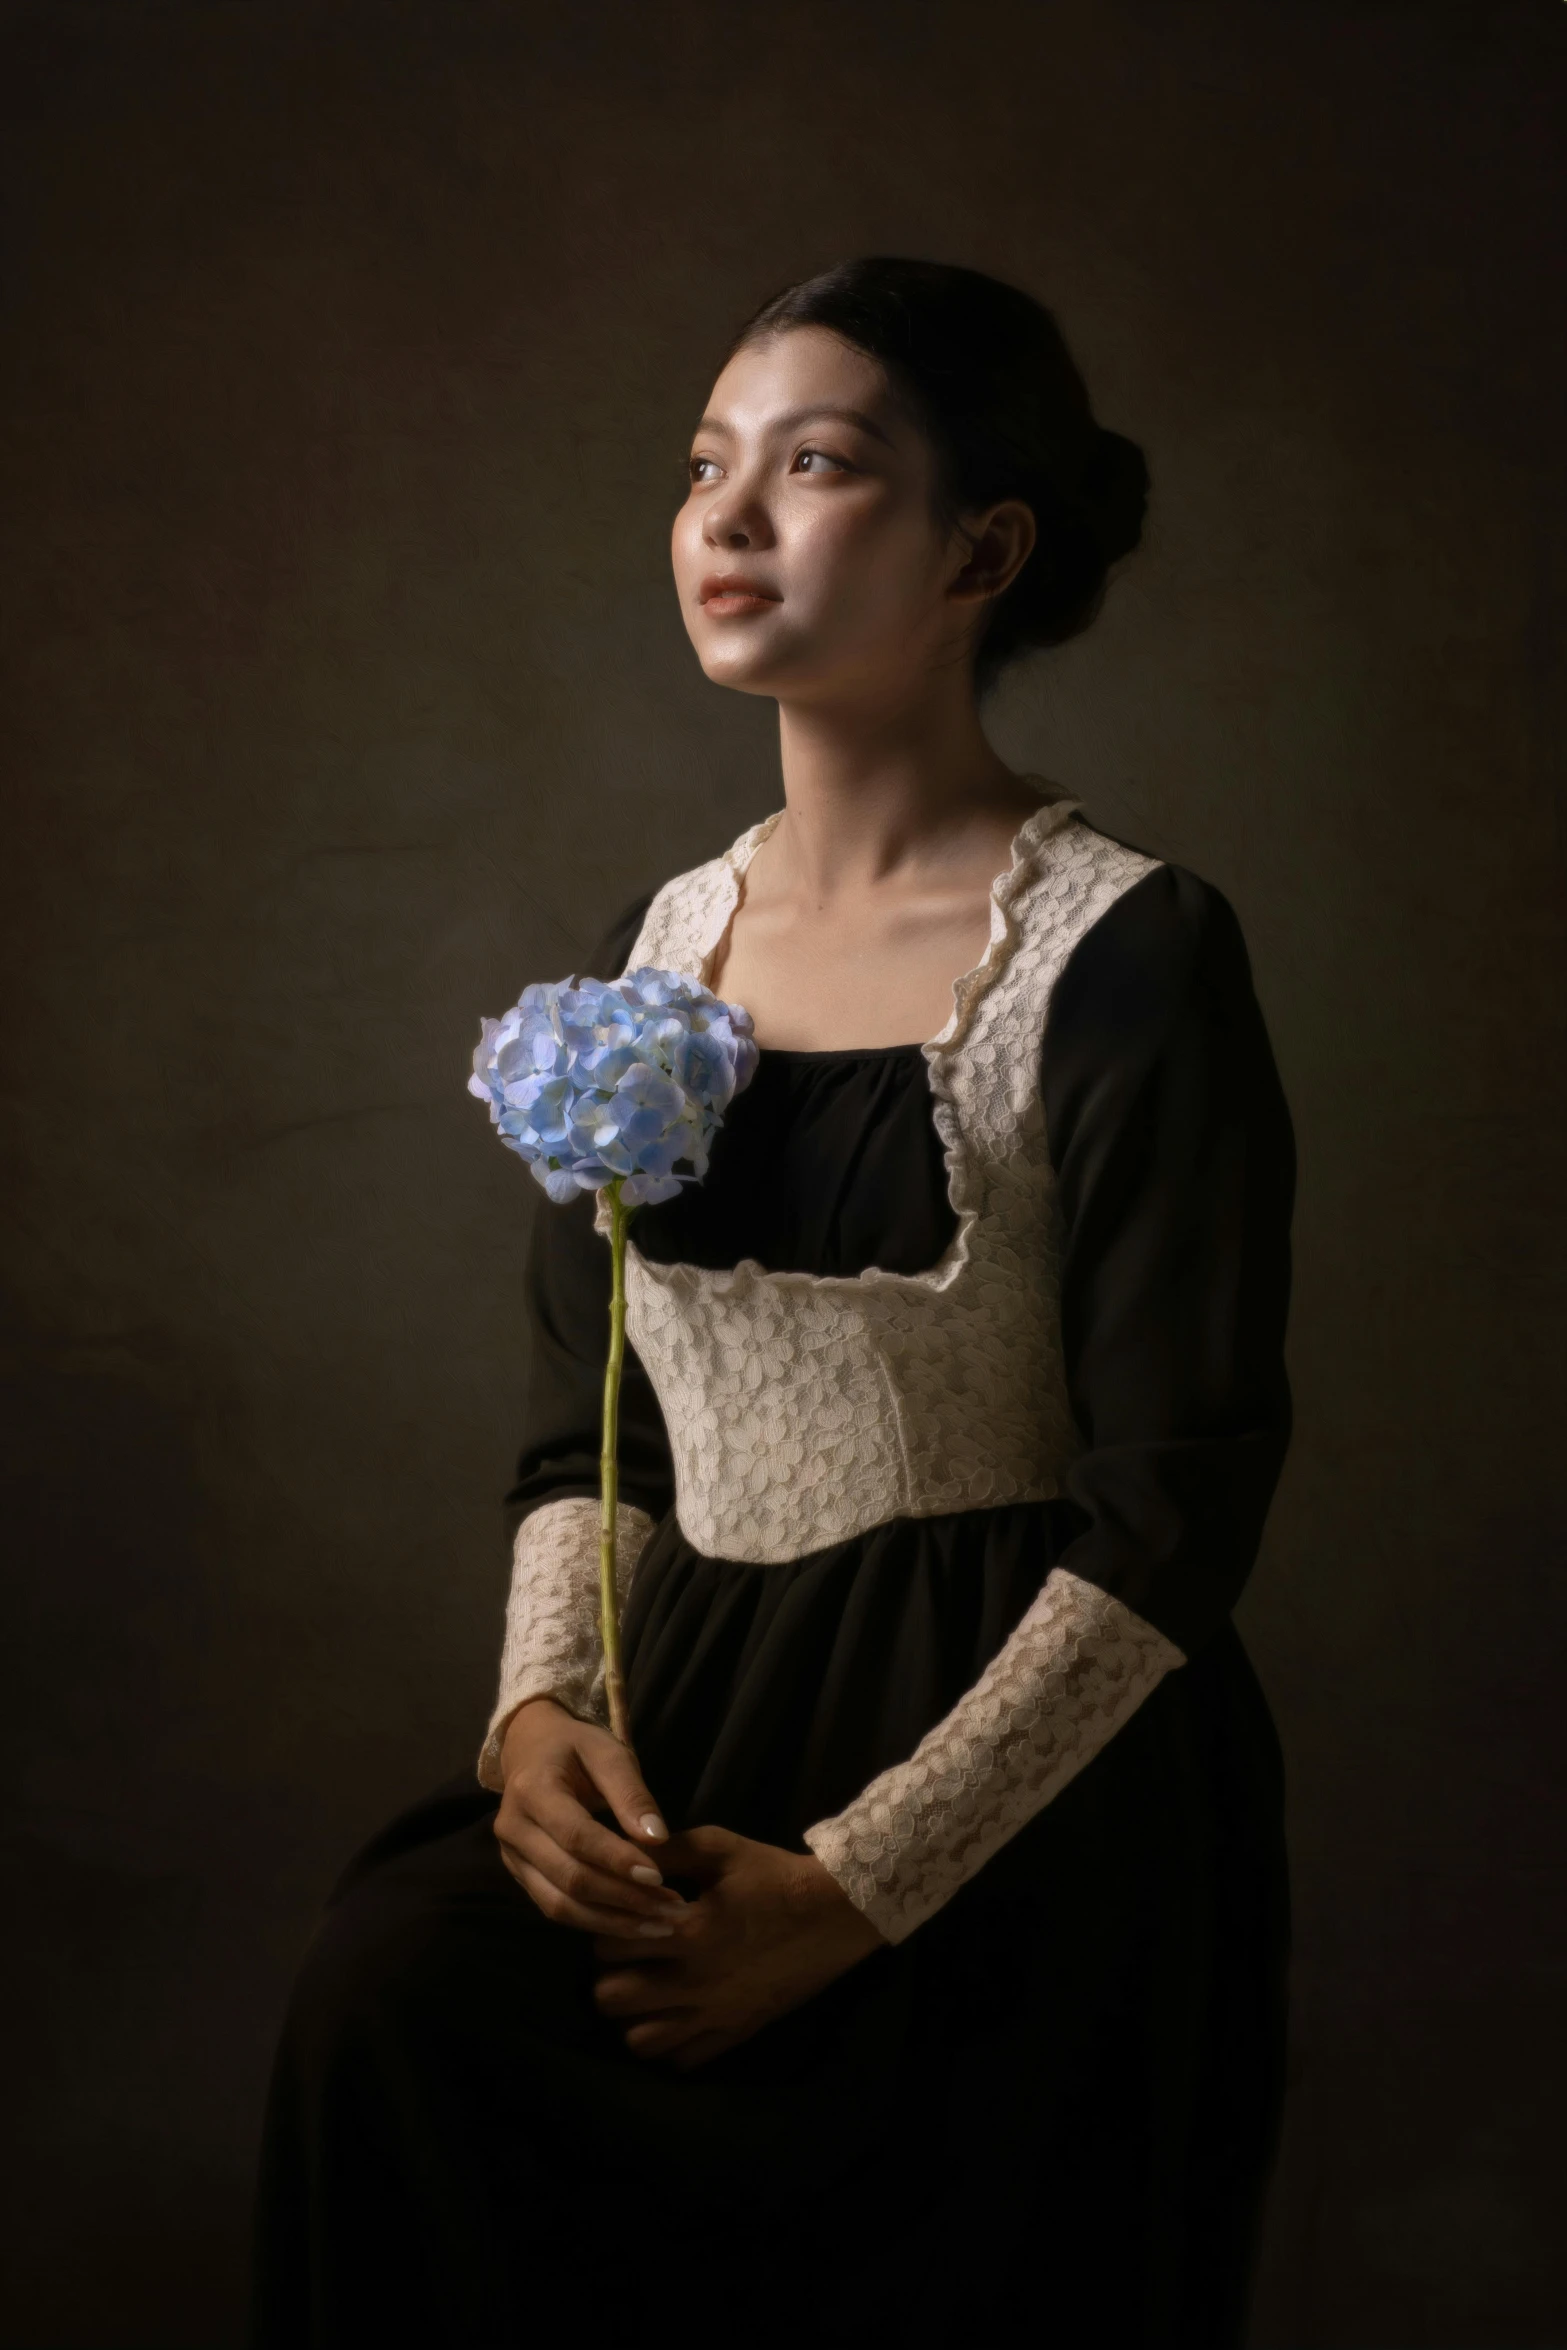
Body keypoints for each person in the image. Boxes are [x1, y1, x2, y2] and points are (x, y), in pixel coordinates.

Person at [249, 257, 1296, 2348]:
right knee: (393, 1992)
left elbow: (1178, 1503)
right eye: (704, 466)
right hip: (691, 1712)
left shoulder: (1130, 954)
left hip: (1019, 1781)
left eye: (813, 467)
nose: (727, 518)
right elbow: (585, 1423)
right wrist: (538, 1711)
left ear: (980, 547)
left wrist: (857, 1888)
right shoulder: (656, 943)